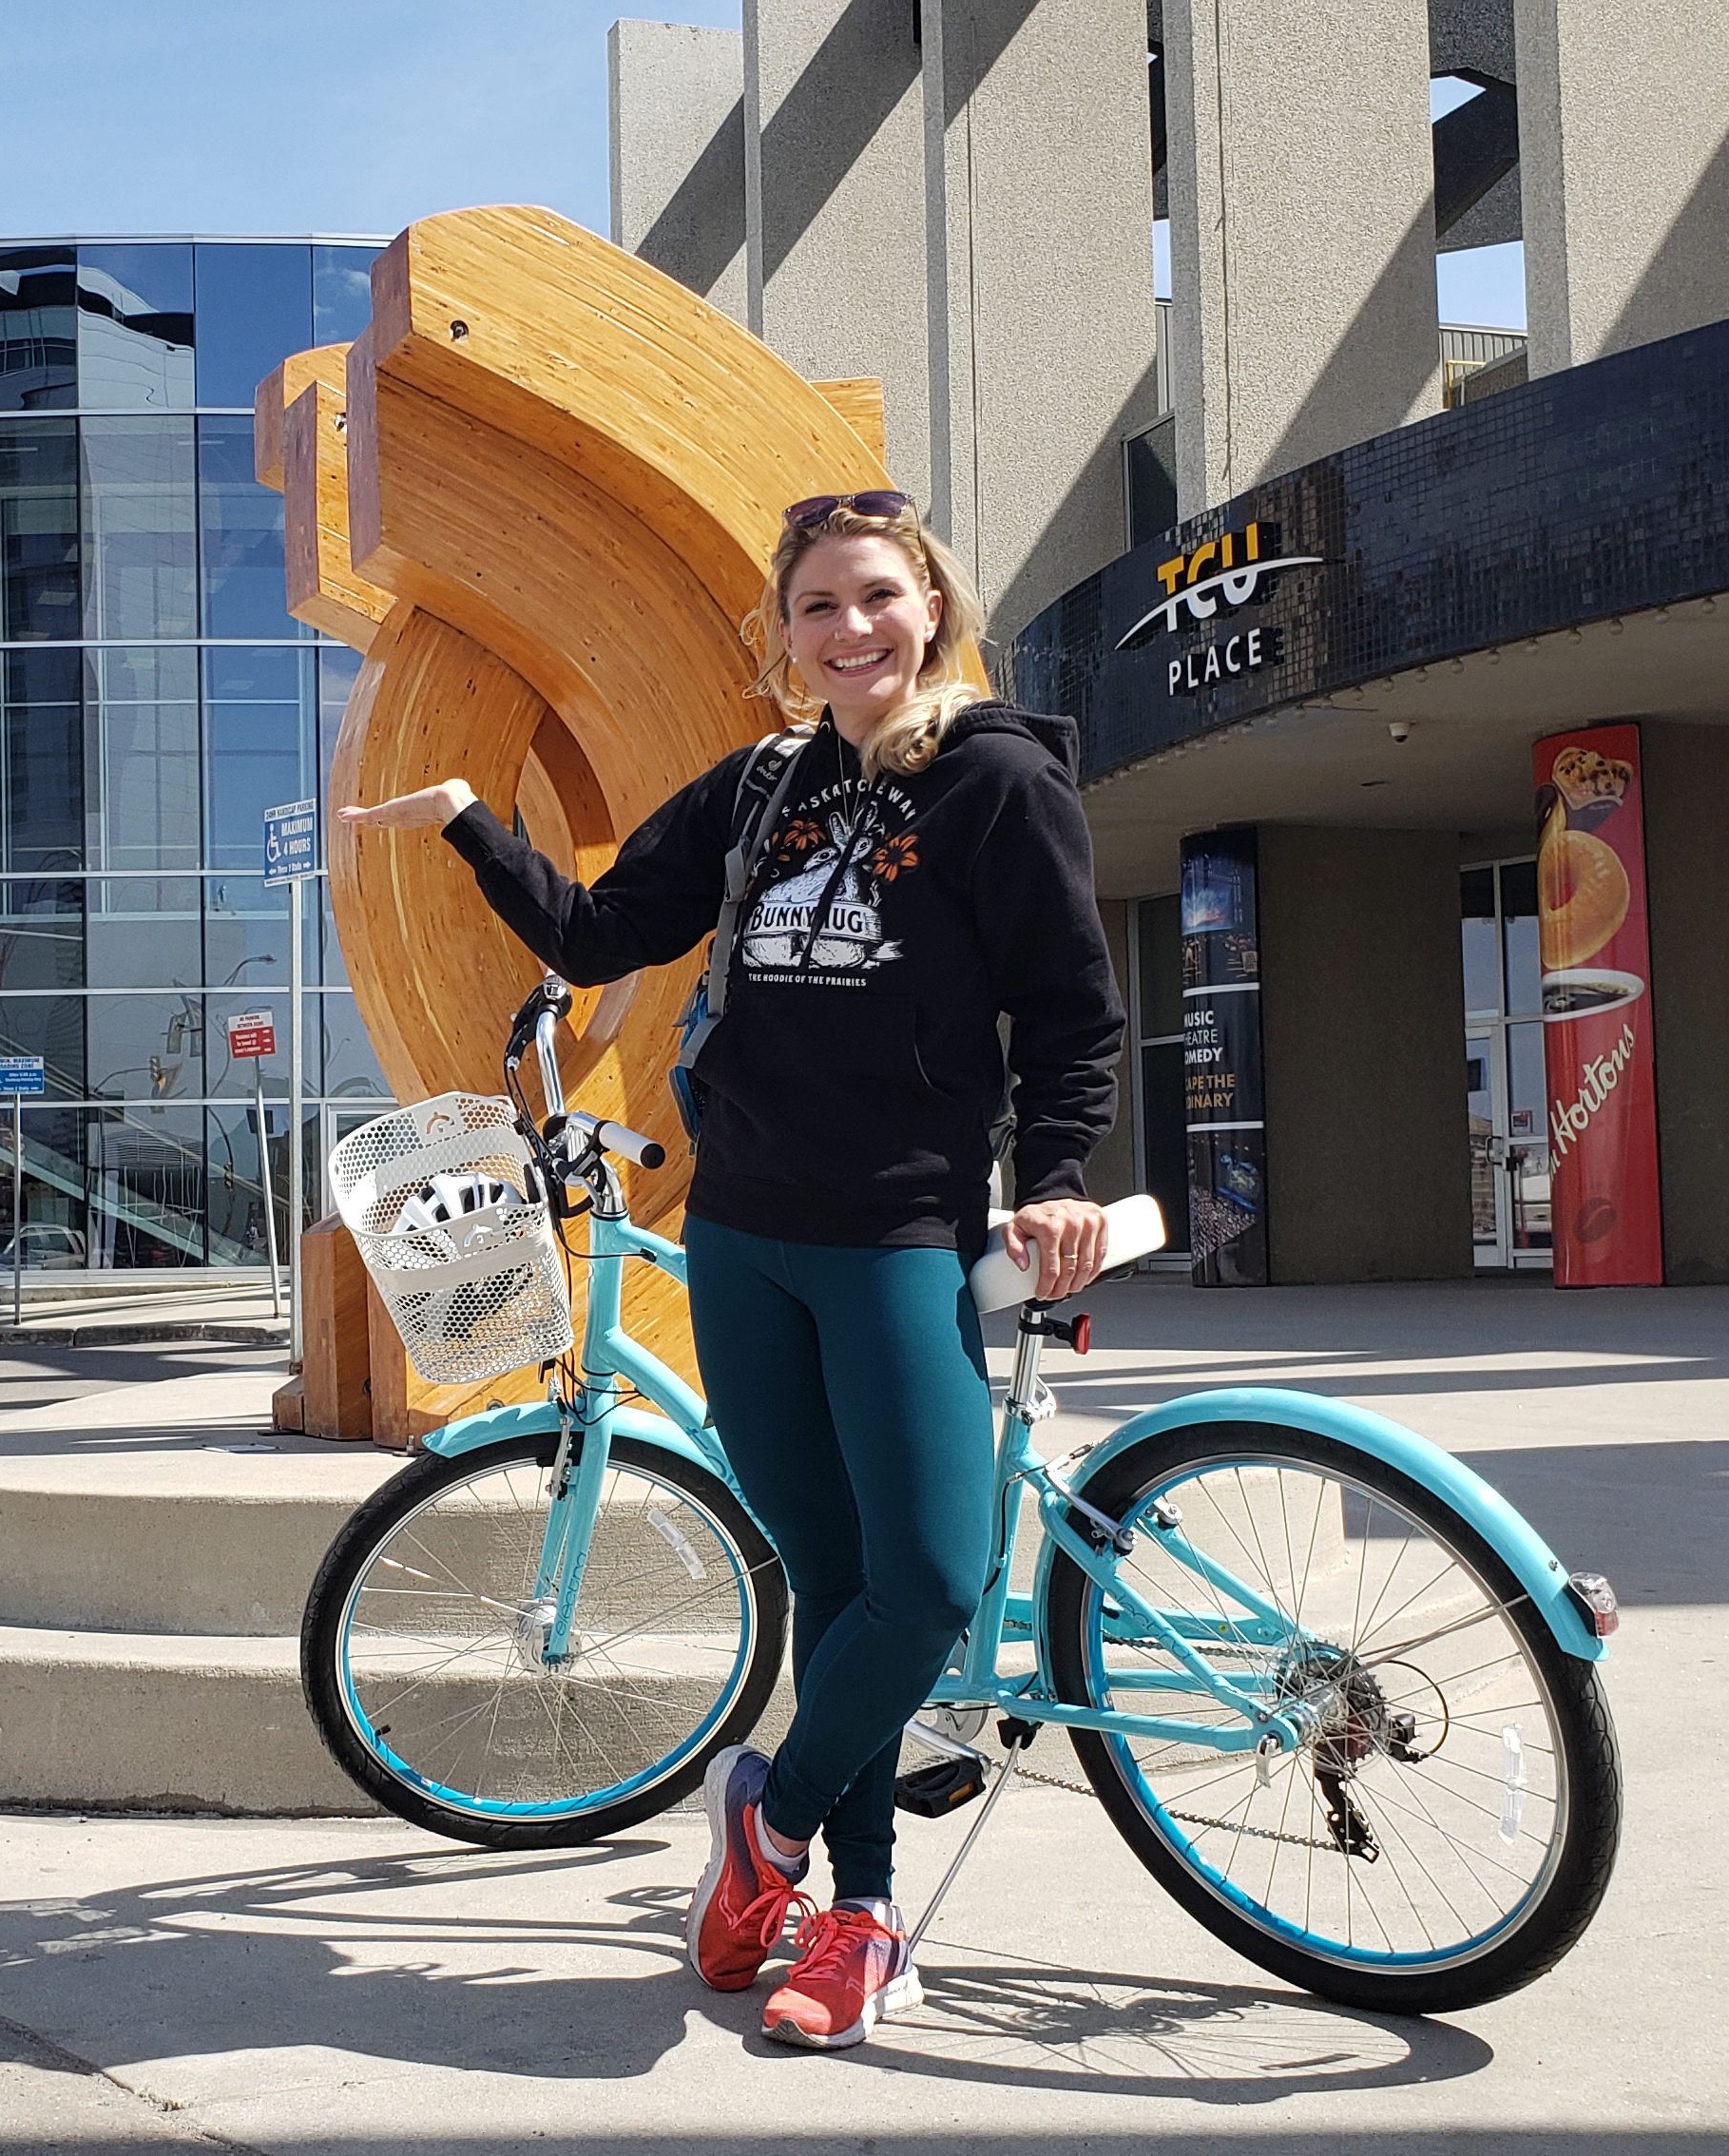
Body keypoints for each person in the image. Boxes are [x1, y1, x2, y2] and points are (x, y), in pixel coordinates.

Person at [339, 491, 1123, 2051]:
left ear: (935, 604)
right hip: (744, 1234)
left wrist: (1052, 1182)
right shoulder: (762, 786)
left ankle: (762, 1827)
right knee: (833, 1588)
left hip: (897, 1228)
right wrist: (466, 822)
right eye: (820, 606)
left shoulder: (998, 780)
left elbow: (1069, 1012)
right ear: (785, 633)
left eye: (879, 597)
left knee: (926, 1580)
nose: (852, 630)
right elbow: (604, 926)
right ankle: (856, 1921)